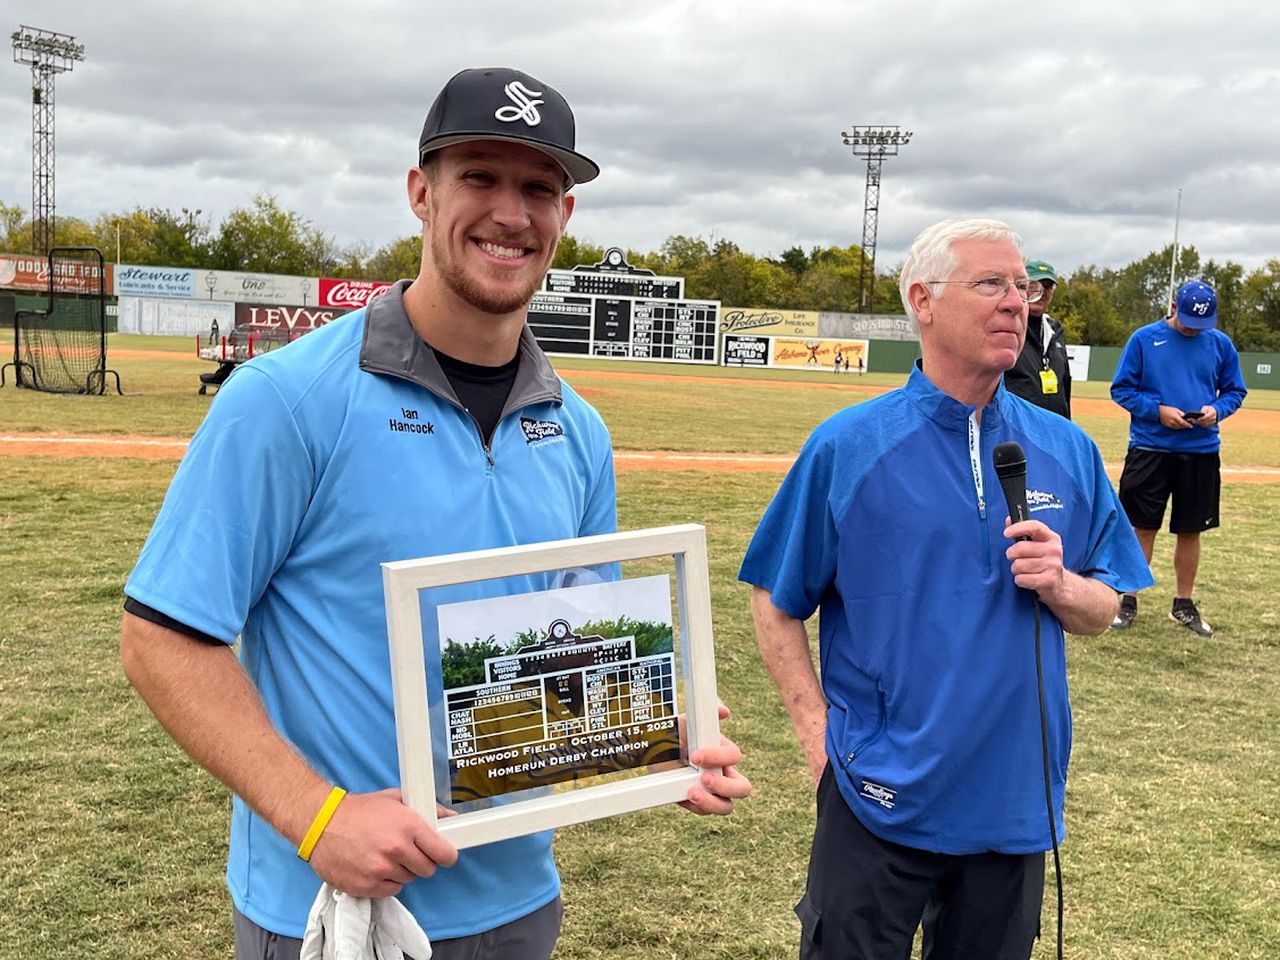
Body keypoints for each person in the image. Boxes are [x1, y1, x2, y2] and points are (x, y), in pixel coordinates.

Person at [120, 66, 749, 960]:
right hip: (335, 906)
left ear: (565, 216)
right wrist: (318, 817)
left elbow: (568, 641)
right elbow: (162, 638)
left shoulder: (579, 431)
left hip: (519, 900)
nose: (510, 213)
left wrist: (657, 735)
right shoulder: (287, 400)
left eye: (539, 188)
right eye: (479, 177)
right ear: (421, 193)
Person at [740, 219, 1151, 960]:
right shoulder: (848, 446)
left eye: (1021, 287)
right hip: (876, 797)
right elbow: (774, 598)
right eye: (990, 284)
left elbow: (1106, 604)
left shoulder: (1067, 449)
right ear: (923, 302)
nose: (1015, 303)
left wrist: (1061, 583)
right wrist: (817, 739)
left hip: (1014, 802)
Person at [1109, 279, 1248, 635]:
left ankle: (1183, 604)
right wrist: (1158, 412)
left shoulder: (1220, 343)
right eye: (1187, 319)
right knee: (1142, 526)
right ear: (1173, 306)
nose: (1192, 328)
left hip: (1200, 452)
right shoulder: (1144, 339)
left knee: (1191, 529)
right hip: (1150, 448)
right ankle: (1127, 599)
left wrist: (1216, 411)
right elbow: (1122, 389)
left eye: (1200, 323)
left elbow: (1235, 390)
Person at [1003, 258, 1072, 418]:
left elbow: (1065, 384)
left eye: (1048, 287)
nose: (1042, 292)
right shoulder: (1007, 328)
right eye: (1034, 285)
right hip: (1017, 429)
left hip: (1054, 428)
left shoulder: (1055, 331)